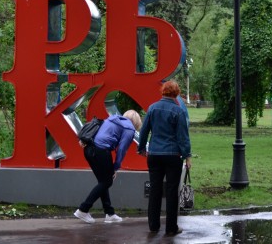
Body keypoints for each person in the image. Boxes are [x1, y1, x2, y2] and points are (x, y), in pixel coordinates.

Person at [137, 80, 192, 236]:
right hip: (173, 155)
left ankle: (153, 226)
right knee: (171, 191)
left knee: (155, 190)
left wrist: (141, 148)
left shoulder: (152, 108)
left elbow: (144, 131)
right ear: (176, 93)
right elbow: (183, 137)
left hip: (154, 154)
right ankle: (171, 228)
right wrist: (187, 155)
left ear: (163, 91)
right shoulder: (178, 111)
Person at [74, 110, 142, 224]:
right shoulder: (129, 129)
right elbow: (122, 150)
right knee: (106, 182)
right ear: (136, 122)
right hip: (101, 151)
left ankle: (109, 213)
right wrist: (116, 167)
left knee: (103, 182)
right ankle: (83, 209)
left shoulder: (111, 119)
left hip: (89, 149)